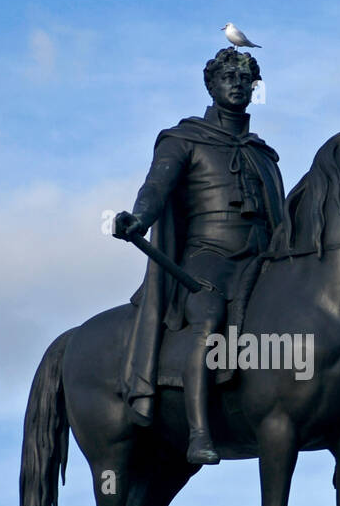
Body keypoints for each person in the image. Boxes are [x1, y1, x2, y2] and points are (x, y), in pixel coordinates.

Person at [115, 48, 285, 464]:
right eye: (228, 76)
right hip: (208, 258)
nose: (238, 83)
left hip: (261, 262)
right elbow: (155, 189)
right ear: (211, 85)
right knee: (207, 316)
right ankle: (198, 431)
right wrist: (138, 218)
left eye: (246, 79)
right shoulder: (183, 139)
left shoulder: (264, 155)